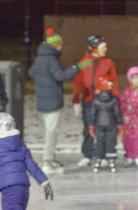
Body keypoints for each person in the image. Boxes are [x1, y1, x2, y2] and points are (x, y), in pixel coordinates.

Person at [28, 28, 92, 174]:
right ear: (56, 45)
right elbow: (61, 75)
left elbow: (31, 72)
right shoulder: (51, 59)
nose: (62, 46)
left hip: (42, 100)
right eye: (60, 44)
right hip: (52, 101)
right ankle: (47, 160)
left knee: (50, 130)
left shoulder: (40, 58)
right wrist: (78, 67)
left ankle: (50, 159)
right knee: (51, 132)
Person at [72, 35, 119, 167]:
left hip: (105, 103)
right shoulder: (85, 62)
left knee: (103, 128)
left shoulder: (108, 63)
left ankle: (103, 154)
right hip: (88, 100)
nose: (106, 49)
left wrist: (115, 99)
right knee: (88, 128)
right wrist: (76, 100)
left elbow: (114, 82)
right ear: (94, 48)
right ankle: (87, 154)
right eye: (103, 47)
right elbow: (78, 81)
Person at [89, 75, 123, 172]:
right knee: (110, 142)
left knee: (99, 142)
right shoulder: (114, 99)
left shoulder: (96, 99)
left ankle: (98, 159)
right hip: (111, 124)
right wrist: (120, 124)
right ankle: (111, 159)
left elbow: (92, 113)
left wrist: (91, 125)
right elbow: (117, 112)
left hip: (99, 124)